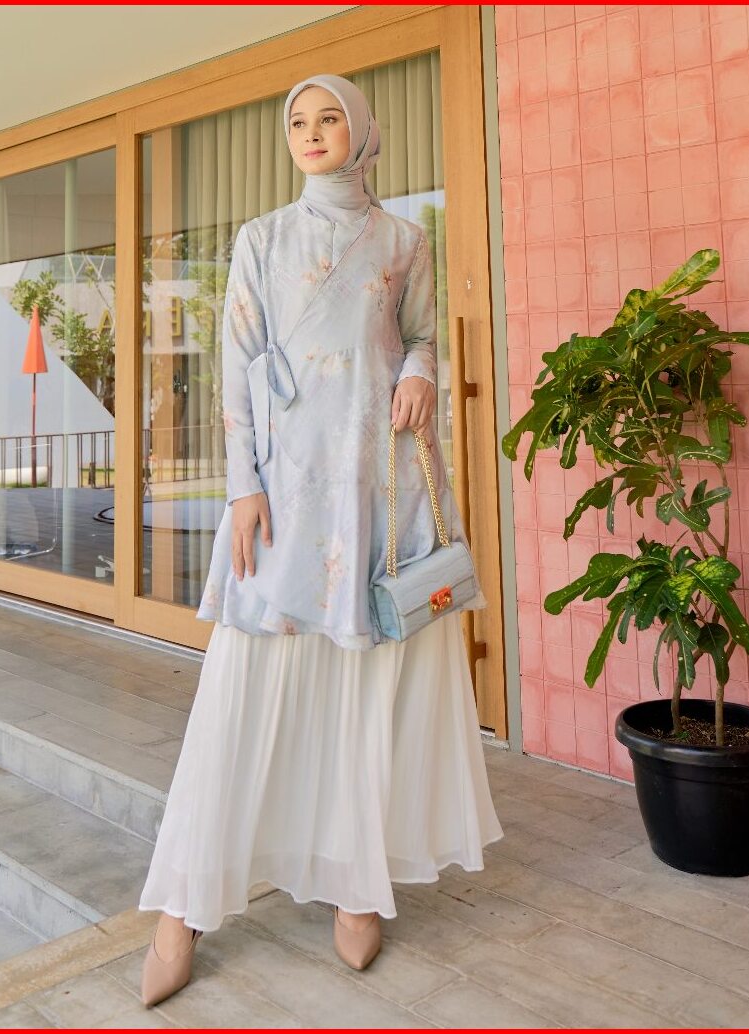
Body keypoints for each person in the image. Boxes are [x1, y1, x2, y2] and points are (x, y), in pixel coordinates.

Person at [137, 73, 503, 1008]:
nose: (311, 132)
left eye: (328, 117)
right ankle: (184, 905)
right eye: (297, 121)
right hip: (286, 490)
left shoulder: (405, 240)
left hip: (377, 486)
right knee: (244, 682)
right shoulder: (261, 239)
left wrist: (420, 372)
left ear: (361, 131)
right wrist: (242, 487)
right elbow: (236, 366)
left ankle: (356, 881)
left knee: (369, 677)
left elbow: (422, 335)